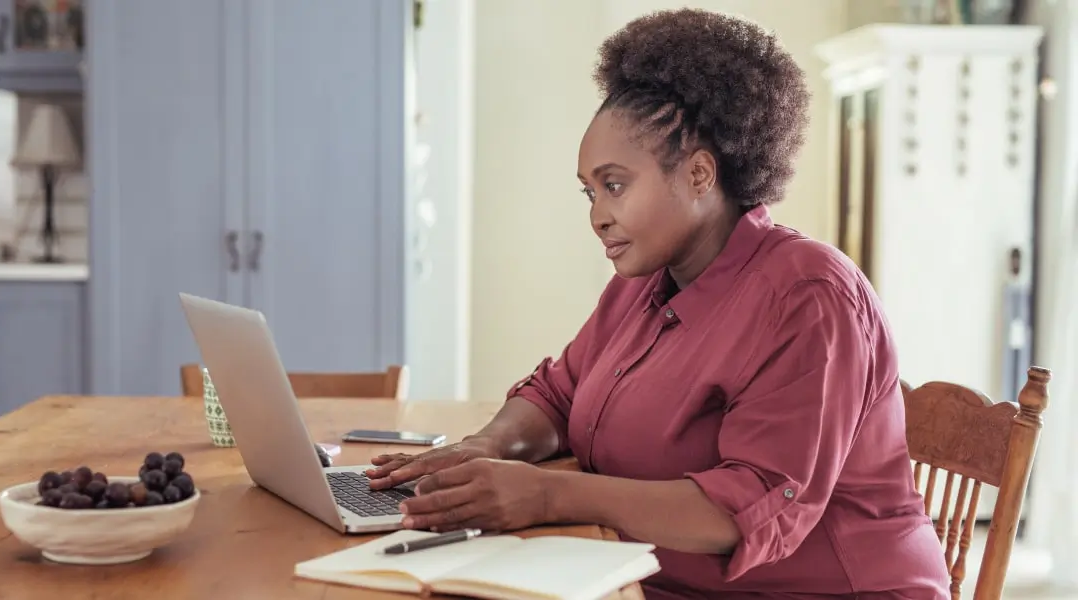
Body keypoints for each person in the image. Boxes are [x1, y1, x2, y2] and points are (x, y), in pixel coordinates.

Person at [367, 8, 950, 599]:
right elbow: (558, 393)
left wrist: (544, 494)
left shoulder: (808, 295)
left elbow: (748, 507)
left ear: (699, 173)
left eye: (615, 185)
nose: (598, 215)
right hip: (648, 581)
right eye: (589, 192)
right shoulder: (645, 280)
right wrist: (481, 450)